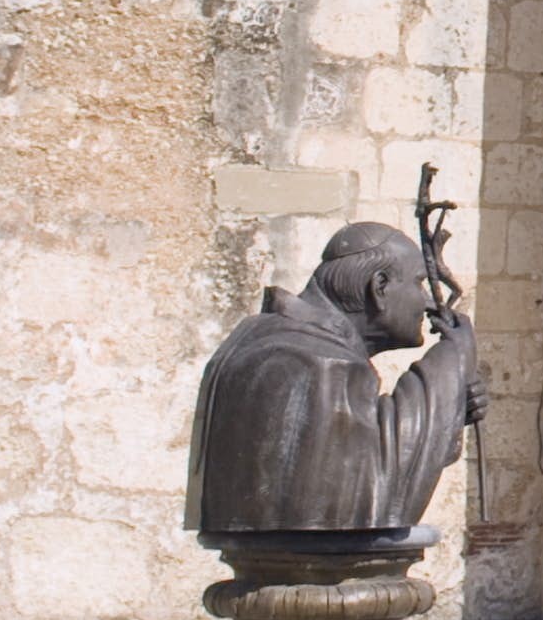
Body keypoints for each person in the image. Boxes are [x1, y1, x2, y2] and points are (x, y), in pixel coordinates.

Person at [182, 221, 481, 541]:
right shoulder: (312, 361)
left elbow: (352, 445)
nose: (426, 302)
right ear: (379, 286)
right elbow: (379, 487)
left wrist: (450, 410)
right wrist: (454, 358)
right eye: (418, 283)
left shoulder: (262, 338)